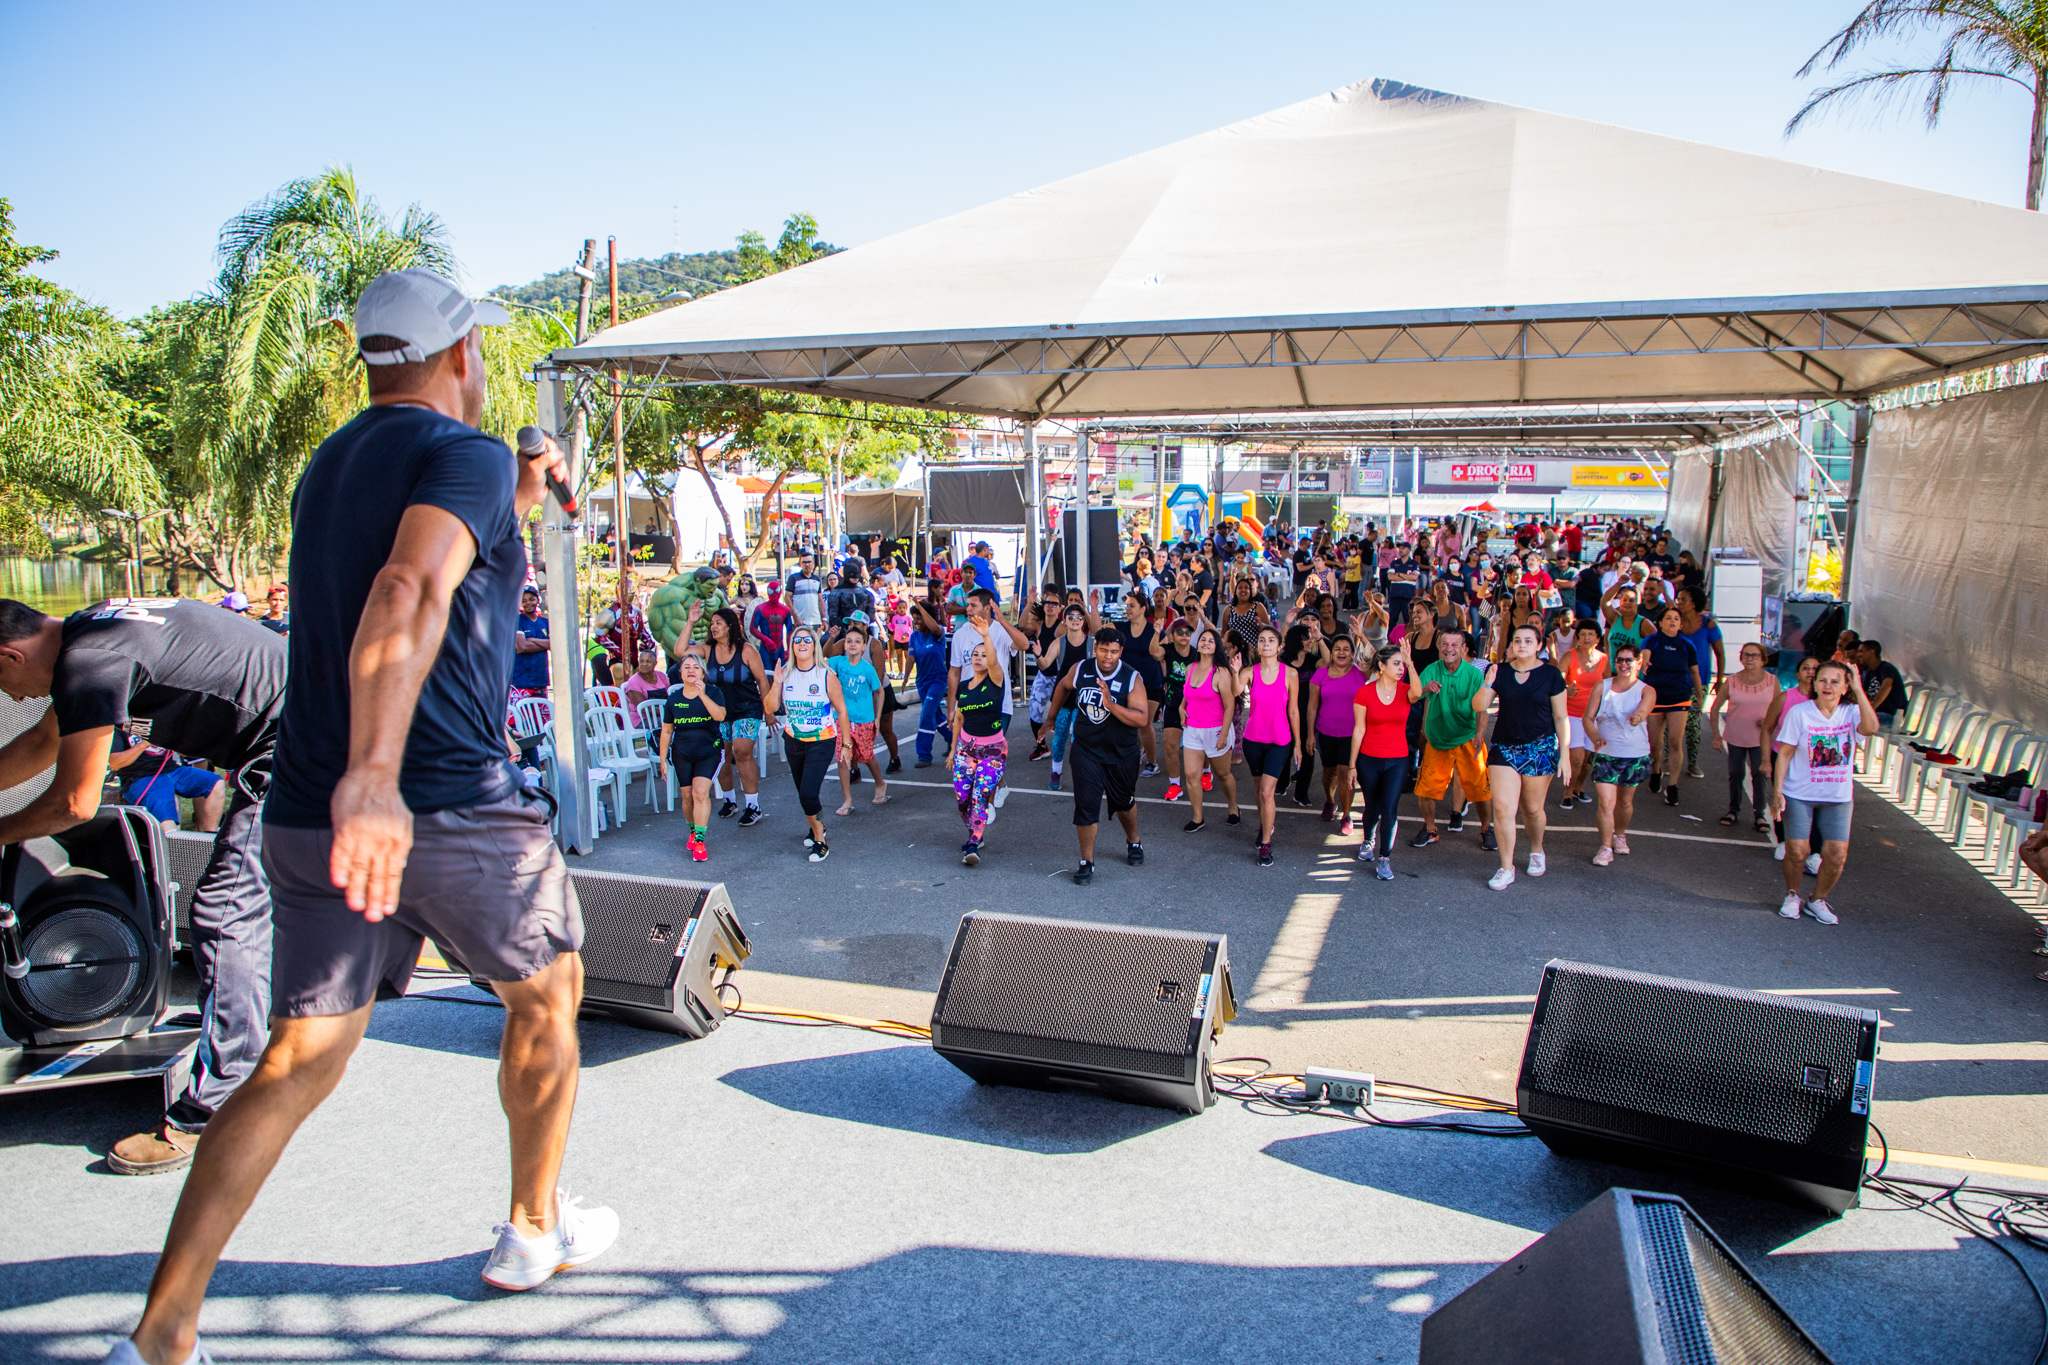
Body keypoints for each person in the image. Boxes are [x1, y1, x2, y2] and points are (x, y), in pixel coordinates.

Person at [101, 270, 612, 1365]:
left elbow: (436, 560)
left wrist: (520, 496)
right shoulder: (461, 453)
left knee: (299, 1058)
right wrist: (377, 779)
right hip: (437, 800)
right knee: (549, 989)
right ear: (465, 353)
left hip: (301, 805)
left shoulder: (336, 462)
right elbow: (408, 593)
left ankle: (161, 1331)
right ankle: (532, 1229)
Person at [0, 597, 283, 1180]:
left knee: (225, 914)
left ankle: (217, 1107)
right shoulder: (92, 630)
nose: (14, 699)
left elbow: (75, 802)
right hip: (323, 726)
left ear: (9, 653)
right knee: (253, 906)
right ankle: (240, 1027)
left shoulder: (89, 661)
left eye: (4, 682)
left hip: (308, 748)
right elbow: (40, 743)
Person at [1772, 660, 1880, 924]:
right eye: (1822, 680)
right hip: (1799, 793)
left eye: (1835, 681)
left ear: (1845, 686)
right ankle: (1793, 896)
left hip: (1838, 797)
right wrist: (1777, 791)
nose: (1828, 686)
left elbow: (1871, 728)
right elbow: (1784, 753)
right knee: (1797, 850)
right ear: (1814, 684)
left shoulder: (1852, 712)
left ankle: (1817, 899)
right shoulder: (1800, 712)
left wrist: (1859, 689)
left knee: (1836, 855)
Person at [1040, 626, 1148, 884]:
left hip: (1121, 753)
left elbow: (1142, 718)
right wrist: (1051, 718)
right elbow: (1063, 686)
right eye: (1103, 650)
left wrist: (1111, 704)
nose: (1108, 656)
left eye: (1113, 651)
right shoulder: (1082, 669)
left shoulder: (1132, 678)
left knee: (1123, 802)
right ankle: (1086, 862)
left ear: (1121, 651)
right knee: (1087, 806)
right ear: (1095, 648)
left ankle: (1133, 840)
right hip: (1086, 750)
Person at [1477, 625, 1569, 889]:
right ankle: (1506, 867)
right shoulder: (1500, 672)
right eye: (1517, 640)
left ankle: (1537, 850)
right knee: (1504, 809)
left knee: (1532, 809)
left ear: (1539, 645)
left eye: (1528, 640)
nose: (1522, 644)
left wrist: (1563, 753)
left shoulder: (1551, 675)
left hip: (1540, 748)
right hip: (1505, 748)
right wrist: (1487, 682)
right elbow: (1479, 706)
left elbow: (1561, 717)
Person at [765, 626, 849, 861]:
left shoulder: (826, 675)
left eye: (807, 639)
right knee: (804, 792)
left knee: (808, 794)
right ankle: (816, 826)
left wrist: (846, 745)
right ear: (791, 646)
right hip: (793, 741)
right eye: (796, 640)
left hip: (821, 741)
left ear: (814, 645)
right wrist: (776, 683)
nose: (802, 643)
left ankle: (821, 841)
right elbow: (770, 708)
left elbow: (842, 711)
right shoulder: (786, 674)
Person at [1407, 628, 1495, 849]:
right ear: (1439, 646)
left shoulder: (1474, 675)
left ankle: (1486, 829)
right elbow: (1412, 695)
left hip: (1468, 739)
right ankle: (1430, 829)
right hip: (1438, 741)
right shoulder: (1431, 670)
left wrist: (1479, 736)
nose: (1449, 649)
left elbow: (1482, 710)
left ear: (1464, 648)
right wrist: (1425, 688)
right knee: (1425, 790)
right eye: (1445, 644)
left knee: (1481, 791)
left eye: (1455, 645)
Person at [946, 587, 1028, 804]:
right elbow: (954, 672)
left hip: (998, 706)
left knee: (988, 756)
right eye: (968, 604)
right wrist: (952, 707)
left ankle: (986, 806)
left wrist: (1002, 620)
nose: (968, 609)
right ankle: (1000, 785)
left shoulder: (1001, 630)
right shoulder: (961, 633)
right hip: (969, 707)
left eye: (973, 605)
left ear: (987, 607)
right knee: (974, 759)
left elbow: (1024, 644)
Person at [697, 606, 770, 825]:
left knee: (742, 751)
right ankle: (729, 800)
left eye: (718, 622)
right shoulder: (707, 650)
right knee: (722, 754)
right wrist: (691, 621)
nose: (713, 627)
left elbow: (762, 681)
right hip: (719, 711)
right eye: (712, 623)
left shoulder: (746, 650)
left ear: (730, 626)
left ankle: (752, 805)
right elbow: (680, 650)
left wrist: (769, 712)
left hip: (747, 708)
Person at [1583, 643, 1655, 865]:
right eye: (1619, 660)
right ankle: (1605, 847)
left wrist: (1638, 717)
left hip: (1634, 754)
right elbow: (1588, 717)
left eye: (1628, 660)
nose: (1623, 664)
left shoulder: (1646, 689)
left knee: (1625, 803)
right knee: (1606, 803)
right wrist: (1595, 737)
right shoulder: (1601, 686)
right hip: (1605, 754)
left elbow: (1645, 708)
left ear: (1638, 662)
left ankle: (1620, 834)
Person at [1235, 624, 1297, 868]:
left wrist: (1300, 743)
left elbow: (1293, 710)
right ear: (1257, 646)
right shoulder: (1249, 671)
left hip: (1279, 740)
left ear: (1279, 646)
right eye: (1262, 640)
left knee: (1266, 792)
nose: (1266, 643)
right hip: (1253, 740)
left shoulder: (1289, 673)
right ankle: (1265, 820)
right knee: (1259, 788)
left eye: (1271, 640)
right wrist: (1235, 672)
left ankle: (1266, 843)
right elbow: (1235, 692)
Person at [1348, 642, 1410, 880]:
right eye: (1396, 664)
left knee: (1390, 808)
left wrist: (1411, 662)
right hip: (1368, 760)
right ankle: (1368, 841)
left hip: (1397, 760)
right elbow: (1358, 730)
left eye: (1402, 664)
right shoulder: (1364, 692)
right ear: (1381, 666)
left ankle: (1385, 858)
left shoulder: (1406, 690)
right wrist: (1352, 765)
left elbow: (1417, 692)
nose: (1401, 668)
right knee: (1372, 806)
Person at [656, 652, 726, 861]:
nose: (691, 671)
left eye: (696, 667)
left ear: (703, 673)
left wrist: (702, 695)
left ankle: (700, 841)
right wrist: (662, 760)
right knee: (687, 796)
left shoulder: (713, 693)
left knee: (700, 793)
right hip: (682, 753)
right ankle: (693, 830)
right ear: (680, 673)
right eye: (686, 667)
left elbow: (720, 716)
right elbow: (667, 731)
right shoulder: (674, 699)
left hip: (709, 751)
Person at [1710, 642, 1780, 833]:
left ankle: (1760, 814)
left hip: (1761, 738)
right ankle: (1733, 810)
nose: (1750, 659)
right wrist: (1716, 735)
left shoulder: (1772, 681)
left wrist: (1768, 721)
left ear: (1763, 659)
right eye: (1746, 655)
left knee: (1760, 774)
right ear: (1741, 658)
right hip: (1735, 735)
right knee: (1736, 773)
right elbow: (1714, 708)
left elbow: (1780, 709)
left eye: (1755, 656)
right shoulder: (1732, 681)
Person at [1177, 623, 1241, 831]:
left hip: (1215, 730)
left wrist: (1223, 734)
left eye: (1211, 640)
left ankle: (1233, 807)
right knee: (1191, 775)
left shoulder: (1221, 672)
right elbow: (1188, 696)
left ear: (1217, 647)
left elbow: (1230, 705)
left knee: (1223, 774)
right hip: (1193, 730)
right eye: (1203, 639)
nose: (1205, 643)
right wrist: (1181, 707)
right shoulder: (1190, 668)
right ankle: (1198, 818)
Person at [951, 639, 1008, 865]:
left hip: (993, 750)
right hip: (965, 749)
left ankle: (973, 844)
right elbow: (959, 718)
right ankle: (976, 831)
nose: (978, 658)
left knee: (980, 797)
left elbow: (994, 663)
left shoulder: (996, 681)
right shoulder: (964, 687)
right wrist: (953, 750)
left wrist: (985, 633)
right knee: (962, 799)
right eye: (975, 654)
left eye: (983, 655)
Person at [1640, 604, 1703, 808]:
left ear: (1681, 623)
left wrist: (1700, 697)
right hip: (1655, 696)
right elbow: (1645, 655)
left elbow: (1694, 673)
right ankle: (1656, 771)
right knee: (1655, 743)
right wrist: (1645, 660)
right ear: (1660, 622)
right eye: (1668, 618)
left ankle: (1673, 785)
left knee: (1675, 742)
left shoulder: (1687, 645)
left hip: (1679, 696)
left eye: (1676, 618)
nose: (1672, 621)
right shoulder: (1652, 640)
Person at [827, 621, 888, 815]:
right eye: (849, 641)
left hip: (864, 719)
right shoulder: (838, 662)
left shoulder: (867, 669)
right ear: (844, 645)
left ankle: (880, 782)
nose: (853, 644)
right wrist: (830, 638)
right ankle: (847, 799)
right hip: (841, 719)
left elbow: (880, 691)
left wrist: (877, 718)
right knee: (843, 758)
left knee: (866, 756)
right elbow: (822, 657)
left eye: (858, 641)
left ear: (864, 646)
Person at [1306, 633, 1365, 831]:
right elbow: (1312, 707)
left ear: (1352, 654)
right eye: (1337, 649)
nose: (1341, 653)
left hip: (1351, 735)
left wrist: (1361, 635)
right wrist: (1310, 735)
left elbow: (1374, 657)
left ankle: (1347, 816)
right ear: (1331, 653)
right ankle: (1330, 801)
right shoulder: (1320, 674)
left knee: (1345, 773)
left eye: (1346, 649)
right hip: (1325, 732)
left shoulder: (1360, 673)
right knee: (1329, 773)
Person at [1036, 602, 1095, 791]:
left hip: (1084, 698)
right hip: (1062, 697)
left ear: (1084, 620)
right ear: (1065, 621)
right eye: (1071, 617)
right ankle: (1056, 772)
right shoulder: (1059, 642)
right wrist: (1038, 655)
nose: (1075, 620)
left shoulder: (1092, 643)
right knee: (1060, 737)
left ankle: (1082, 774)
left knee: (1080, 739)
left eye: (1079, 617)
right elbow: (1045, 664)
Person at [1674, 586, 1725, 779]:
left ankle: (1693, 762)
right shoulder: (1675, 621)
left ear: (1694, 602)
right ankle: (1667, 760)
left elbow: (1720, 653)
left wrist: (1719, 679)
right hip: (1674, 681)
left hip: (1699, 682)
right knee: (1671, 724)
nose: (1679, 602)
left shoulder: (1708, 625)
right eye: (1678, 599)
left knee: (1693, 724)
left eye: (1683, 599)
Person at [1558, 621, 1608, 810]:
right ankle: (1568, 793)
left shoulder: (1604, 659)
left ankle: (1578, 787)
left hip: (1594, 717)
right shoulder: (1569, 656)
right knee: (1577, 758)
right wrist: (1565, 688)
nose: (1586, 638)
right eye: (1583, 634)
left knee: (1589, 759)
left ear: (1598, 638)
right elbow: (1558, 679)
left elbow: (1610, 685)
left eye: (1591, 634)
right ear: (1577, 637)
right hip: (1572, 714)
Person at [1120, 597, 1165, 776]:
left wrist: (1167, 681)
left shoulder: (1155, 629)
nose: (1128, 609)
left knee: (1145, 723)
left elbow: (1164, 655)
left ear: (1143, 609)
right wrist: (1091, 607)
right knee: (1132, 722)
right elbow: (1096, 629)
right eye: (1127, 606)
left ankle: (1152, 763)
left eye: (1132, 606)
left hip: (1151, 682)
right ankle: (1138, 751)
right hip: (1129, 683)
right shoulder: (1121, 627)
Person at [1154, 616, 1197, 801]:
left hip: (1196, 706)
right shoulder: (1168, 649)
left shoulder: (1197, 654)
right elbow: (1154, 653)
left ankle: (1205, 771)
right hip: (1172, 703)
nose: (1184, 635)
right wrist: (1157, 633)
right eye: (1180, 631)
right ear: (1172, 634)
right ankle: (1175, 784)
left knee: (1200, 748)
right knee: (1171, 747)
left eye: (1188, 632)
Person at [908, 599, 953, 769]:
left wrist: (920, 607)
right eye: (914, 618)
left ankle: (924, 754)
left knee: (927, 714)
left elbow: (934, 626)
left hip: (938, 680)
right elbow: (911, 658)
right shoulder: (914, 636)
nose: (916, 621)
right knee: (937, 716)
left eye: (919, 617)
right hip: (922, 682)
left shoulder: (938, 633)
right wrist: (905, 679)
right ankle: (953, 740)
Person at [510, 585, 549, 701]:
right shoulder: (517, 620)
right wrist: (544, 644)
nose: (528, 603)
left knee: (541, 719)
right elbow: (521, 647)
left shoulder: (545, 622)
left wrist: (533, 640)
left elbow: (555, 645)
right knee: (520, 717)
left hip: (541, 680)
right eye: (524, 600)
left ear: (538, 599)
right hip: (520, 681)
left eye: (531, 599)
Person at [1859, 640, 1907, 729]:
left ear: (1871, 652)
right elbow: (1865, 695)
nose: (1859, 655)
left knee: (1857, 720)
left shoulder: (1887, 668)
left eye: (1861, 651)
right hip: (1876, 714)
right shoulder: (1869, 672)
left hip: (1891, 716)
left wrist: (1873, 707)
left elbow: (1887, 686)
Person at [749, 580, 791, 672]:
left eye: (776, 591)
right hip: (765, 648)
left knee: (782, 675)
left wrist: (789, 648)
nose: (774, 595)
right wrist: (766, 639)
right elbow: (752, 629)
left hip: (780, 648)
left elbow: (790, 631)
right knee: (766, 675)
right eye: (771, 591)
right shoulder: (760, 609)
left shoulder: (785, 610)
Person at [621, 647, 667, 728]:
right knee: (670, 723)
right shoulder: (634, 682)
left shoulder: (662, 676)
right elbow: (643, 708)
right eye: (641, 661)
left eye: (648, 661)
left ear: (655, 663)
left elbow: (671, 697)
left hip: (663, 715)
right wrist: (668, 712)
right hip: (642, 719)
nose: (644, 664)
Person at [786, 553, 825, 631]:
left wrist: (823, 618)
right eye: (804, 562)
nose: (807, 564)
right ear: (800, 564)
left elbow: (820, 600)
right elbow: (787, 598)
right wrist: (795, 617)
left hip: (815, 621)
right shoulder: (793, 578)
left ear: (813, 563)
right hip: (800, 621)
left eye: (809, 562)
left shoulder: (816, 579)